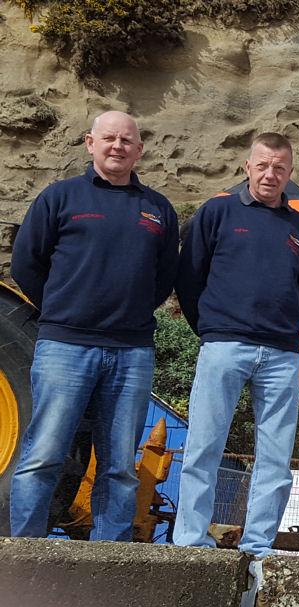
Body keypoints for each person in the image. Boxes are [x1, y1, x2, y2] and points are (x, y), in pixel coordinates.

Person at [8, 111, 179, 540]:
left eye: (127, 140)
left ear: (139, 150)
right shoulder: (59, 197)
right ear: (90, 143)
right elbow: (26, 264)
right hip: (65, 346)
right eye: (109, 138)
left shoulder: (157, 208)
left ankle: (110, 556)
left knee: (119, 466)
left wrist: (130, 311)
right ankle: (20, 553)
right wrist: (64, 309)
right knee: (43, 455)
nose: (118, 146)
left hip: (131, 351)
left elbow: (164, 277)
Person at [173, 132, 299, 557]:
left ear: (290, 173)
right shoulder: (217, 212)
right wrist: (210, 329)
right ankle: (190, 541)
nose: (270, 174)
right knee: (204, 445)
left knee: (276, 457)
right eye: (263, 165)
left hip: (281, 354)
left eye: (279, 167)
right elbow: (189, 276)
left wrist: (286, 328)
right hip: (224, 346)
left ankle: (258, 544)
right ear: (247, 167)